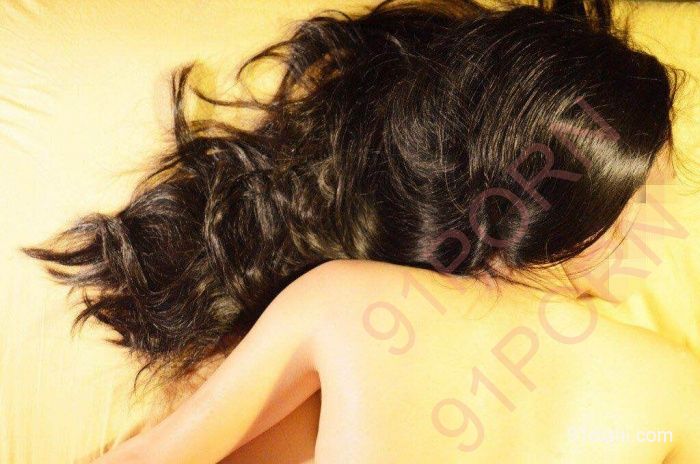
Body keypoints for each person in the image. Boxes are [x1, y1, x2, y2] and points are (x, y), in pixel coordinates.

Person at [24, 0, 700, 462]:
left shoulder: (348, 303)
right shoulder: (674, 388)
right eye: (652, 186)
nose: (666, 217)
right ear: (584, 193)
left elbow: (153, 456)